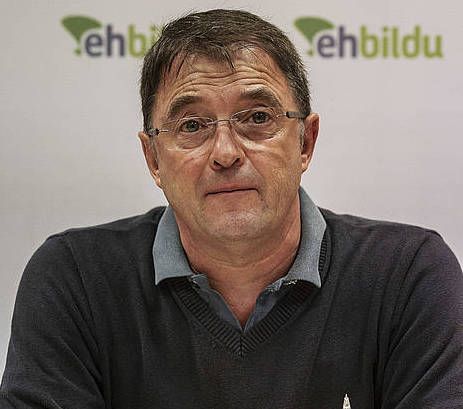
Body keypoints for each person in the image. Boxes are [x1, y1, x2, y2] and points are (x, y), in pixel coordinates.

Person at [1, 9, 462, 409]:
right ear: (153, 158)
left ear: (305, 142)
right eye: (192, 125)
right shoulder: (76, 280)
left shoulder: (407, 276)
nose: (225, 152)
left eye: (257, 118)